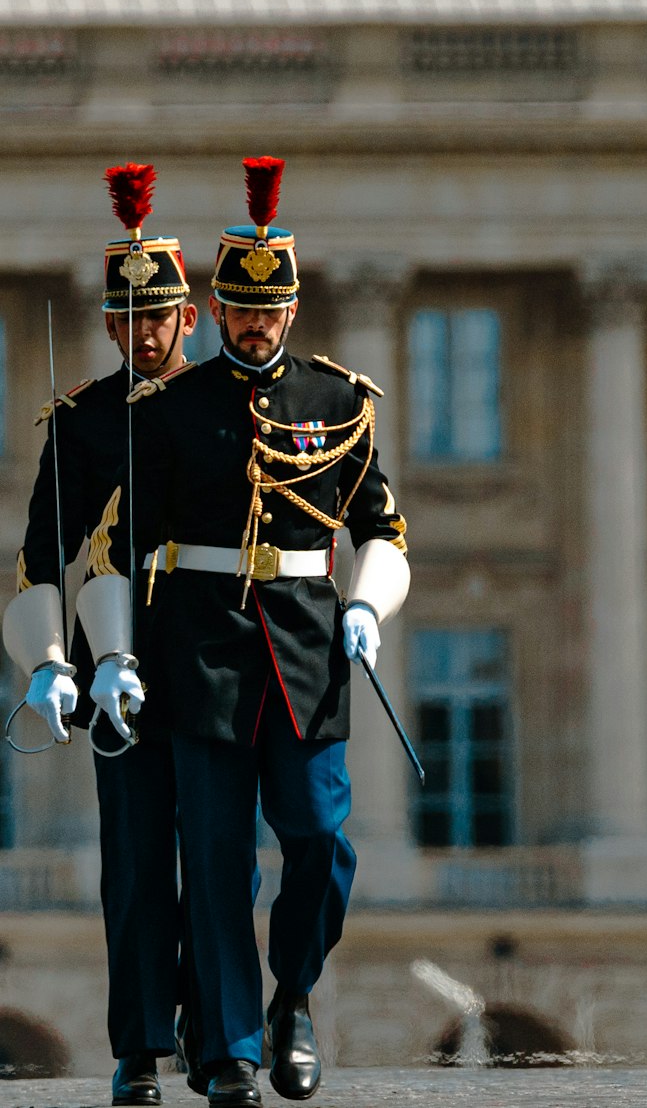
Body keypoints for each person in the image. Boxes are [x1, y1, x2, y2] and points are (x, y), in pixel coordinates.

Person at [81, 156, 410, 1108]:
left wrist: (367, 604)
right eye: (239, 308)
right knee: (216, 855)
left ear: (293, 309)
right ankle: (226, 1049)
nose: (256, 324)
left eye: (271, 310)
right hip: (199, 647)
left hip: (307, 645)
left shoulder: (338, 402)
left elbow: (380, 527)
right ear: (214, 311)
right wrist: (113, 657)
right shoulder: (171, 410)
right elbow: (117, 545)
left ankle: (292, 999)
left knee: (319, 838)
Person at [2, 164, 199, 1107]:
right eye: (126, 320)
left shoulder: (230, 408)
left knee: (215, 862)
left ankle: (225, 1037)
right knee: (132, 869)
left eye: (157, 316)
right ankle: (140, 1048)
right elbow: (41, 556)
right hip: (118, 665)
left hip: (218, 661)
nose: (142, 333)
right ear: (111, 325)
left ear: (187, 317)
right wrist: (48, 663)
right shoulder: (81, 421)